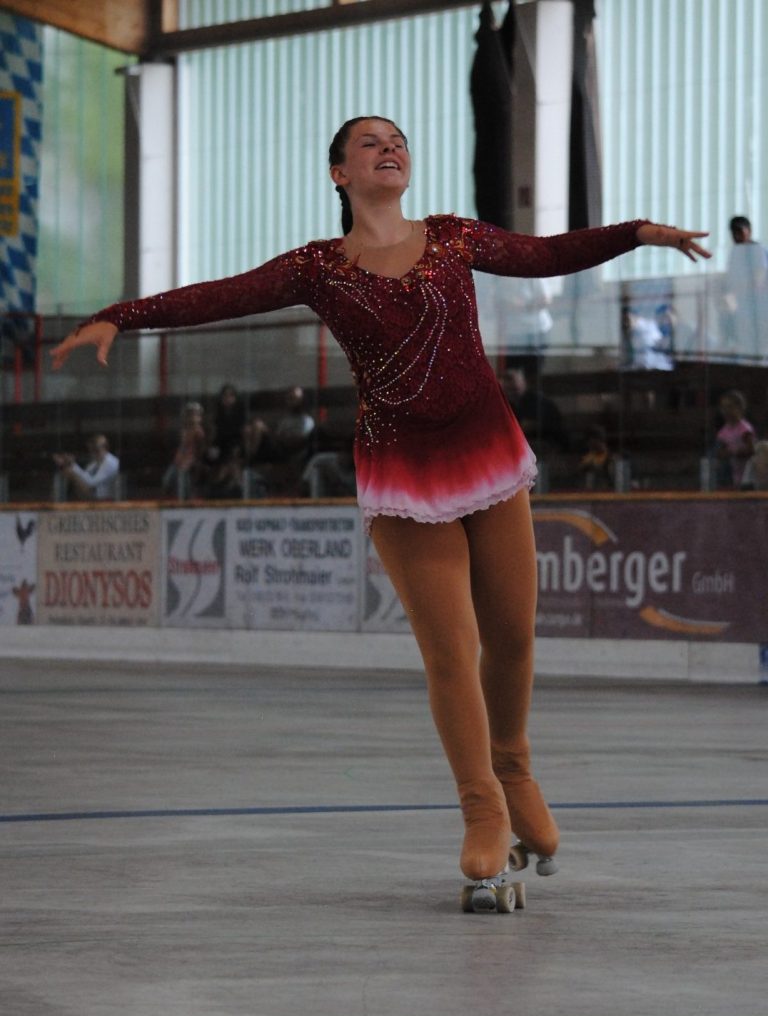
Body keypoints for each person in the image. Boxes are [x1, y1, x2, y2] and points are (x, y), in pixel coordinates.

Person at [51, 115, 710, 908]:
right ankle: (481, 805)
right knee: (449, 648)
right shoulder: (318, 268)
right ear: (338, 174)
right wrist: (121, 313)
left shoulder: (455, 237)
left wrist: (637, 232)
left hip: (487, 453)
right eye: (369, 142)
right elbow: (217, 297)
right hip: (402, 472)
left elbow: (546, 255)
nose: (389, 147)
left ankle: (514, 763)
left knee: (512, 633)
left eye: (397, 139)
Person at [722, 215, 768, 357]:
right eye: (734, 233)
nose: (737, 236)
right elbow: (730, 278)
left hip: (759, 305)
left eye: (740, 232)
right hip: (743, 307)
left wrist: (738, 291)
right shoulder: (735, 253)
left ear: (748, 231)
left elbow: (759, 278)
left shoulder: (757, 250)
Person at [501, 366, 569, 456]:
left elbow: (534, 427)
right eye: (505, 379)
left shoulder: (537, 402)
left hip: (548, 450)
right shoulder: (507, 404)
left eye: (510, 379)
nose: (508, 384)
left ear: (524, 381)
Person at [52, 433, 120, 500]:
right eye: (91, 450)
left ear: (105, 448)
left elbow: (91, 482)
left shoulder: (110, 463)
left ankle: (61, 499)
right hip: (95, 493)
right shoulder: (96, 462)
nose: (92, 452)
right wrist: (69, 464)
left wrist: (73, 465)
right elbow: (85, 475)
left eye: (96, 450)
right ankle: (61, 498)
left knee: (71, 473)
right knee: (68, 471)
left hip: (105, 498)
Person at [162, 400, 207, 498]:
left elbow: (200, 450)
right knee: (167, 481)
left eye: (195, 414)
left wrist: (194, 462)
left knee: (185, 486)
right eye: (190, 414)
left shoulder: (199, 432)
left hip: (189, 464)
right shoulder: (184, 430)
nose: (192, 417)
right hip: (178, 461)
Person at [714, 389, 756, 488]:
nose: (726, 411)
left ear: (740, 408)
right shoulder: (723, 431)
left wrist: (735, 452)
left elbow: (752, 450)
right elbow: (719, 452)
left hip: (748, 474)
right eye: (723, 407)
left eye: (730, 407)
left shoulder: (744, 429)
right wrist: (723, 454)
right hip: (733, 474)